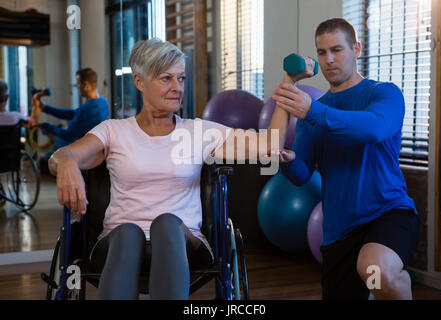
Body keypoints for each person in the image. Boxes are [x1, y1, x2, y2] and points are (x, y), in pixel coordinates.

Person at [48, 38, 297, 300]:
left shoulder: (198, 132)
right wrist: (66, 162)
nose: (177, 87)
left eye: (181, 78)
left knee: (165, 223)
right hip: (117, 243)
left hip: (184, 242)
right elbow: (63, 155)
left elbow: (269, 145)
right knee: (128, 232)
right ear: (140, 82)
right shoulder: (113, 131)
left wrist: (289, 82)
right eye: (166, 78)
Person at [273, 18, 419, 300]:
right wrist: (287, 159)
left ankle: (396, 287)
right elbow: (302, 175)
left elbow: (374, 128)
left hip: (387, 213)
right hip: (339, 231)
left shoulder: (383, 93)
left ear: (357, 49)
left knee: (377, 273)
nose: (329, 59)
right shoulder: (315, 111)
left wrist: (313, 112)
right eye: (322, 52)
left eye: (337, 50)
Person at [32, 68, 109, 147]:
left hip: (87, 154)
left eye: (78, 83)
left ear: (85, 85)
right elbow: (73, 114)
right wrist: (45, 108)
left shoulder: (87, 110)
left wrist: (42, 125)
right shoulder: (104, 103)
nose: (77, 87)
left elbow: (67, 135)